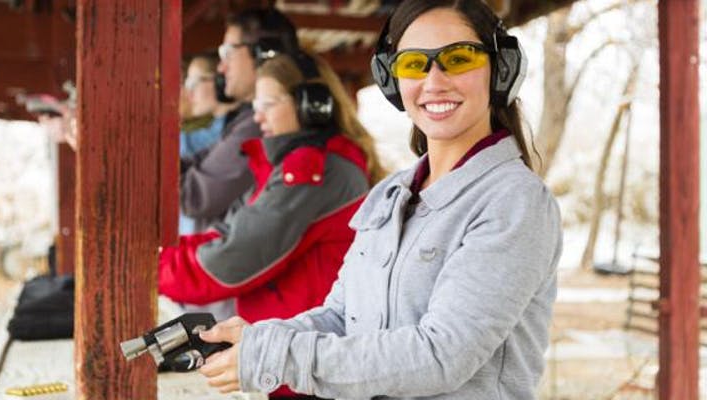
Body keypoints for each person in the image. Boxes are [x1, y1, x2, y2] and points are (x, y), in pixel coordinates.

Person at [197, 1, 563, 399]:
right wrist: (260, 338)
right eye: (412, 64)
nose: (434, 81)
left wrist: (274, 355)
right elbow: (342, 317)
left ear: (500, 69)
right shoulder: (391, 195)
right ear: (393, 81)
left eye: (458, 59)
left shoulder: (514, 201)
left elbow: (441, 356)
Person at [158, 48, 386, 398]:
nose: (257, 117)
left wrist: (149, 269)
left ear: (311, 105)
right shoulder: (293, 164)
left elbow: (233, 258)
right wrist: (163, 255)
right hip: (289, 357)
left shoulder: (314, 169)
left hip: (305, 367)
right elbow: (227, 233)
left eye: (268, 104)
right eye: (256, 105)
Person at [180, 8, 299, 233]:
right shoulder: (246, 120)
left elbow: (195, 195)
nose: (221, 67)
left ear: (263, 53)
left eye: (227, 53)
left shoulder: (258, 126)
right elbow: (195, 161)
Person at [179, 52, 238, 235]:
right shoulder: (222, 128)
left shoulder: (230, 131)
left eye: (194, 82)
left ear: (221, 80)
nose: (189, 92)